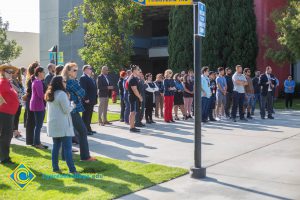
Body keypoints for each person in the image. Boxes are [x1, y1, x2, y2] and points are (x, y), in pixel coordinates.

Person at [62, 62, 96, 161]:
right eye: (74, 70)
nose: (76, 72)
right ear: (68, 72)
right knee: (83, 131)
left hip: (67, 109)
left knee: (67, 133)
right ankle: (85, 156)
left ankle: (64, 157)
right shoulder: (72, 81)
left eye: (77, 69)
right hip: (73, 110)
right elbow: (82, 92)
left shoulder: (64, 80)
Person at [45, 76, 77, 173]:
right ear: (59, 83)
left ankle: (55, 168)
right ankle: (72, 170)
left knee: (56, 147)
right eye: (64, 81)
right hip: (63, 125)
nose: (65, 82)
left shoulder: (50, 94)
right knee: (67, 148)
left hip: (54, 124)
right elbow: (66, 110)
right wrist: (72, 105)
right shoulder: (62, 94)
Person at [0, 64, 19, 164]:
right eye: (8, 72)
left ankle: (4, 156)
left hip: (9, 113)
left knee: (7, 135)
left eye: (12, 72)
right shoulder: (2, 83)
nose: (11, 74)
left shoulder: (8, 82)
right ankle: (4, 158)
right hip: (5, 113)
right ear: (3, 72)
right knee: (6, 135)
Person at [30, 67, 48, 149]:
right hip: (38, 105)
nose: (44, 73)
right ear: (39, 73)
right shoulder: (37, 82)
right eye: (43, 72)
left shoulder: (37, 81)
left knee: (38, 125)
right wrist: (49, 97)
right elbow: (41, 95)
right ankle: (37, 143)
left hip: (37, 105)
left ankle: (36, 142)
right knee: (38, 125)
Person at [80, 65, 97, 135]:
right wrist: (86, 98)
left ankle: (88, 128)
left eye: (91, 68)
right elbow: (83, 89)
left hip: (92, 100)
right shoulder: (83, 78)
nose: (91, 70)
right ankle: (85, 130)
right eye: (89, 68)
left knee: (89, 115)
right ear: (85, 70)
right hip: (87, 100)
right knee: (86, 116)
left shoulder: (90, 78)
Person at [24, 62, 39, 145]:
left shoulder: (32, 78)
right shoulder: (32, 78)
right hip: (31, 101)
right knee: (31, 121)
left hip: (30, 101)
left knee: (31, 121)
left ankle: (31, 140)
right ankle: (30, 141)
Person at [11, 68, 25, 138]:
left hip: (19, 101)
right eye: (15, 73)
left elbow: (21, 90)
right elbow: (17, 90)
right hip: (14, 101)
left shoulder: (17, 81)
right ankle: (14, 131)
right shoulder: (11, 81)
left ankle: (16, 130)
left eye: (18, 73)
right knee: (15, 116)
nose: (16, 75)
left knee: (17, 116)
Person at [128, 65, 143, 132]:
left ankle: (133, 126)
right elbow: (134, 89)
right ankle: (131, 127)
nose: (139, 70)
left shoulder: (134, 78)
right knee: (132, 112)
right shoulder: (132, 79)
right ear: (134, 71)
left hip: (134, 97)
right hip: (133, 97)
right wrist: (140, 97)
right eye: (138, 69)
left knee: (133, 112)